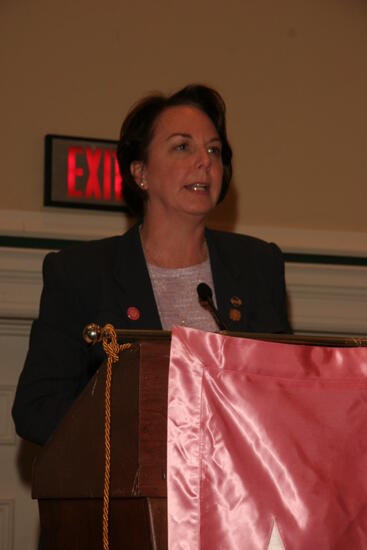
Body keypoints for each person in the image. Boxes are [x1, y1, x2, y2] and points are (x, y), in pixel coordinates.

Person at [12, 84, 291, 446]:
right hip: (127, 492)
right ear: (140, 173)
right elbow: (38, 410)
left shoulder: (257, 265)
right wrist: (148, 428)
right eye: (182, 146)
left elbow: (288, 393)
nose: (205, 161)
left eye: (214, 150)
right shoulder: (80, 274)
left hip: (236, 493)